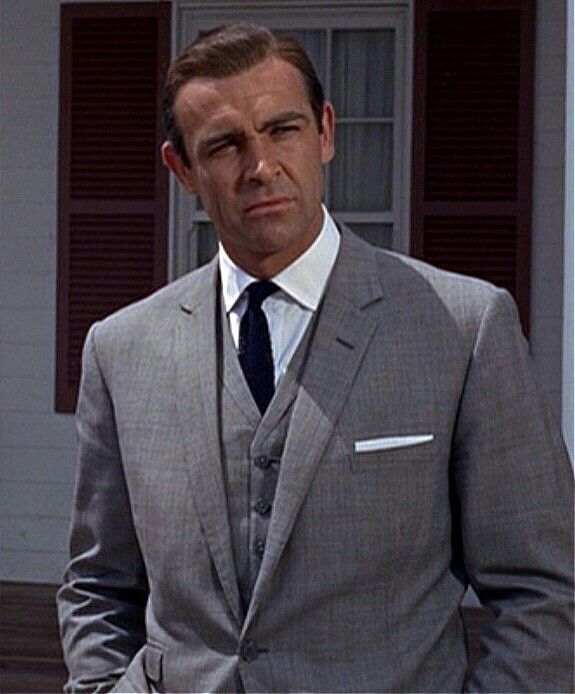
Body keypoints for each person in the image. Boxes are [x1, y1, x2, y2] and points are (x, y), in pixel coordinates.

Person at [57, 22, 574, 693]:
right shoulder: (122, 348)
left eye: (282, 130)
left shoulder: (462, 327)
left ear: (325, 132)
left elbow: (543, 589)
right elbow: (98, 584)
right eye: (223, 145)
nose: (260, 167)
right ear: (181, 168)